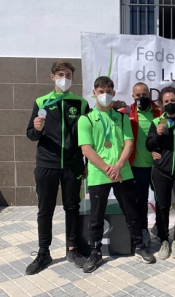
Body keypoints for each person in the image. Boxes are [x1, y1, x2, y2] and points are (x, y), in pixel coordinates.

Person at [78, 76, 155, 273]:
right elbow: (86, 149)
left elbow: (129, 142)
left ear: (113, 93)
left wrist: (118, 166)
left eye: (108, 91)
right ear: (94, 92)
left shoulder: (121, 117)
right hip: (99, 174)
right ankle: (95, 252)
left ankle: (139, 245)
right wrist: (107, 168)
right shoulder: (86, 119)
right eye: (101, 91)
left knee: (132, 211)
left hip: (123, 172)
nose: (105, 94)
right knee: (96, 215)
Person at [25, 60, 88, 275]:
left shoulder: (80, 103)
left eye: (69, 75)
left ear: (73, 78)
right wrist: (37, 128)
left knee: (72, 207)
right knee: (45, 209)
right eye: (61, 74)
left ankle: (72, 249)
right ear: (52, 77)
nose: (65, 78)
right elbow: (31, 135)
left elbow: (86, 136)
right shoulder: (42, 102)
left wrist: (85, 163)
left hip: (72, 164)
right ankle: (44, 252)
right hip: (47, 164)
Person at [146, 86, 175, 260]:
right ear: (161, 104)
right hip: (161, 171)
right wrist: (157, 136)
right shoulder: (157, 122)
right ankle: (164, 240)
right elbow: (149, 145)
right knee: (162, 207)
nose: (170, 104)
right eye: (166, 102)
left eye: (173, 101)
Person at [118, 82, 162, 246]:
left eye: (144, 95)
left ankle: (161, 229)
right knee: (140, 202)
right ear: (132, 96)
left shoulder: (159, 112)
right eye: (138, 95)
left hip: (157, 166)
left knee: (161, 201)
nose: (141, 98)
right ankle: (143, 231)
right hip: (136, 167)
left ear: (149, 95)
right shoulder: (126, 113)